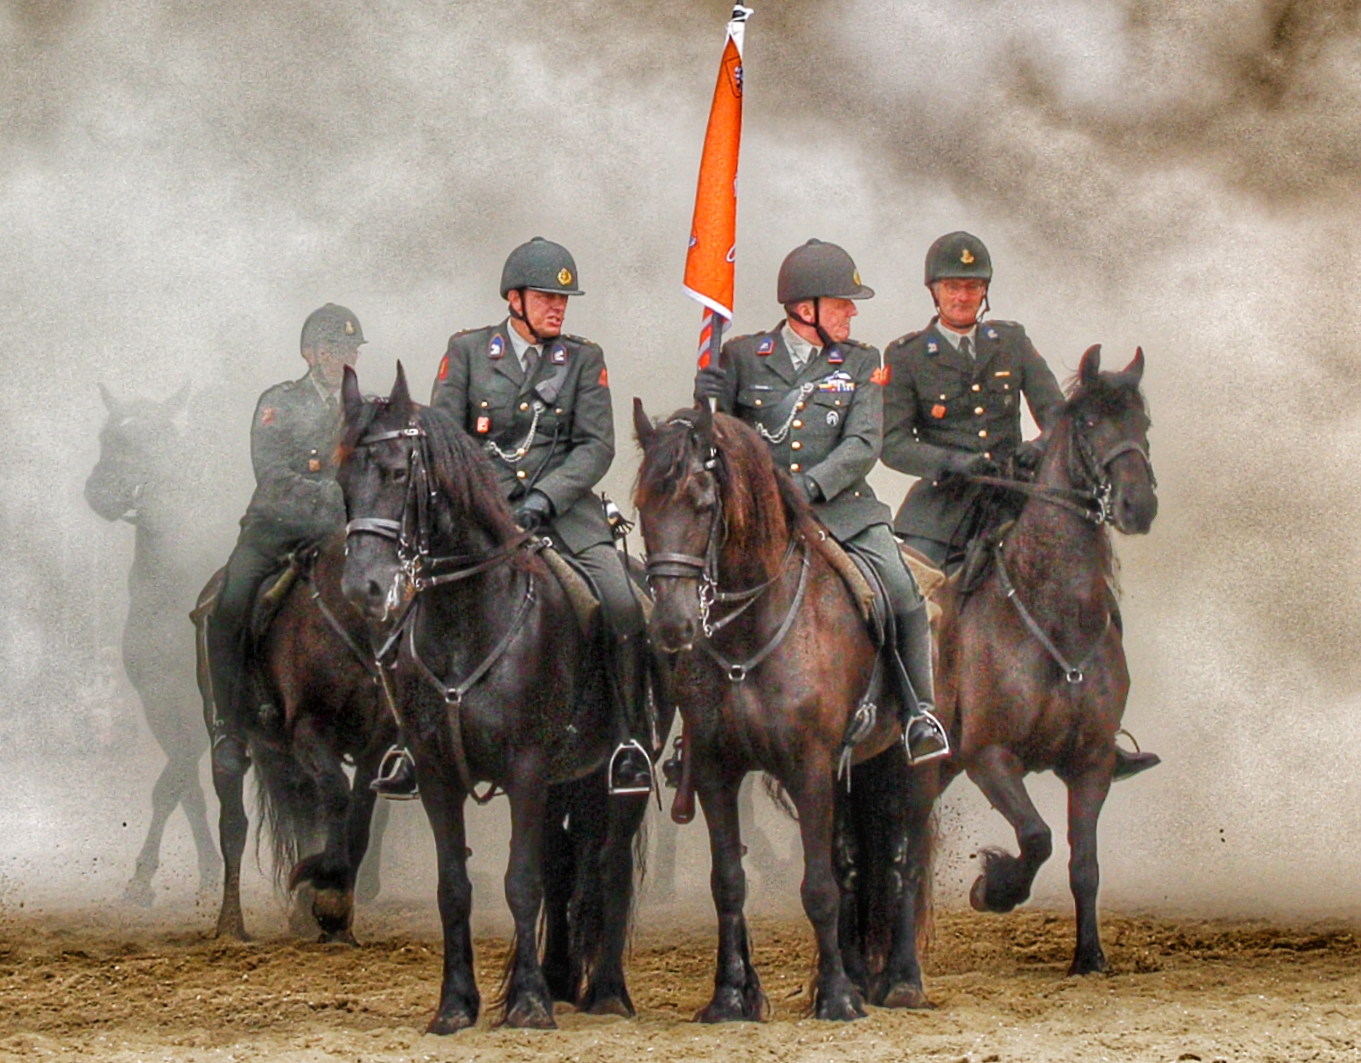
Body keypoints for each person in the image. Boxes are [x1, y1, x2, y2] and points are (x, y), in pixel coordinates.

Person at [699, 240, 949, 766]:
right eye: (842, 303)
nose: (852, 312)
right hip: (757, 520)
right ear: (804, 308)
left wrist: (807, 489)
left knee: (903, 593)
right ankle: (697, 729)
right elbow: (719, 438)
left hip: (843, 512)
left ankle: (919, 713)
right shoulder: (743, 356)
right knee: (692, 596)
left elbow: (864, 444)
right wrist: (706, 395)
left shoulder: (861, 361)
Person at [431, 238, 654, 797]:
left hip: (565, 515)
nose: (557, 306)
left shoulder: (583, 359)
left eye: (563, 298)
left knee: (623, 603)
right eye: (546, 296)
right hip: (482, 515)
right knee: (410, 597)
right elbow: (444, 436)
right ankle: (404, 740)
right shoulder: (467, 351)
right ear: (514, 298)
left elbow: (596, 446)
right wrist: (489, 498)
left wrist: (544, 499)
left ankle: (629, 739)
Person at [204, 304, 364, 754]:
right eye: (334, 348)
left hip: (342, 537)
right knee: (229, 605)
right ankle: (229, 724)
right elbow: (271, 472)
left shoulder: (364, 409)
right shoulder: (280, 402)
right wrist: (332, 496)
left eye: (351, 349)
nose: (344, 358)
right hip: (276, 529)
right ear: (310, 353)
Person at [879, 231, 1065, 572]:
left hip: (1017, 499)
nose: (963, 297)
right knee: (911, 596)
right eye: (952, 287)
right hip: (943, 510)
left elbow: (1059, 415)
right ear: (934, 291)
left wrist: (1040, 446)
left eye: (972, 287)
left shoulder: (1012, 341)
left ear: (984, 291)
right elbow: (892, 444)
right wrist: (951, 462)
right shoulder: (907, 355)